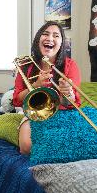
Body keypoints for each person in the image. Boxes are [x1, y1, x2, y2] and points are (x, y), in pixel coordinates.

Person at [13, 21, 81, 154]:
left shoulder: (70, 66)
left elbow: (72, 104)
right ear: (38, 39)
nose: (50, 38)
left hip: (61, 111)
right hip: (33, 111)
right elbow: (17, 100)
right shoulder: (26, 65)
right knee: (27, 146)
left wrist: (68, 94)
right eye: (45, 34)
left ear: (61, 43)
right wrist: (35, 86)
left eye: (56, 36)